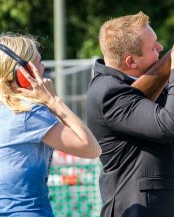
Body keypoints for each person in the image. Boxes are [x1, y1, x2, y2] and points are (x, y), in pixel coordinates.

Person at [86, 11, 174, 217]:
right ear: (131, 62)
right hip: (139, 208)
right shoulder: (110, 92)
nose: (161, 48)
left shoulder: (137, 81)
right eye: (153, 47)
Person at [0, 33, 101, 216]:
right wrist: (54, 101)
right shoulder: (28, 114)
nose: (43, 67)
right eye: (38, 62)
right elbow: (91, 148)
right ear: (23, 74)